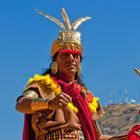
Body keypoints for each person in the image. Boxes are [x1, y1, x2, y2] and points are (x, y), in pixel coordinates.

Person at [16, 8, 128, 140]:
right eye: (65, 55)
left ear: (80, 61)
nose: (71, 59)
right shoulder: (43, 85)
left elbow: (98, 137)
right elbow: (21, 104)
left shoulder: (86, 96)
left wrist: (128, 137)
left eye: (76, 55)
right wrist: (49, 104)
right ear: (55, 60)